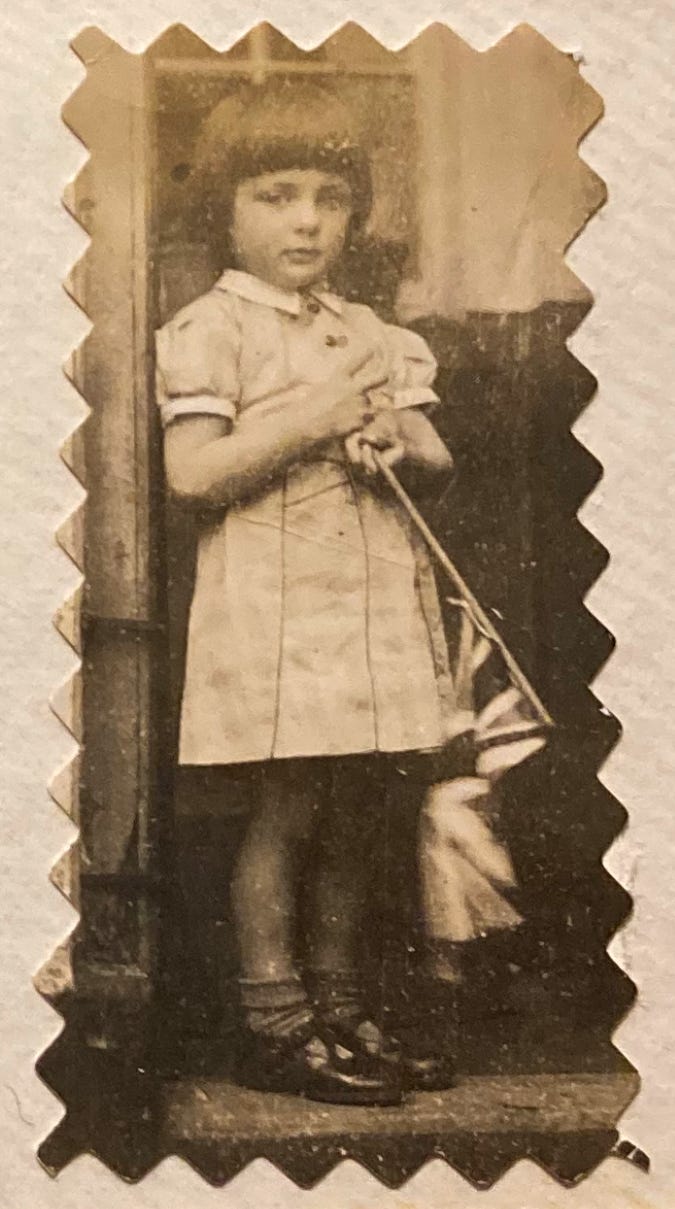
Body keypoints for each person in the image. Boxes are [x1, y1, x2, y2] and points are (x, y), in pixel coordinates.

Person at [155, 78, 491, 1105]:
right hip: (278, 606)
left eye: (329, 197)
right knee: (288, 810)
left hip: (371, 602)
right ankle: (276, 1018)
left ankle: (343, 1010)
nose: (307, 219)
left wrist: (397, 432)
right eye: (276, 193)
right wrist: (312, 417)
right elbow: (192, 473)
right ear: (227, 207)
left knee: (359, 812)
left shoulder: (370, 332)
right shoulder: (215, 327)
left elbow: (433, 456)